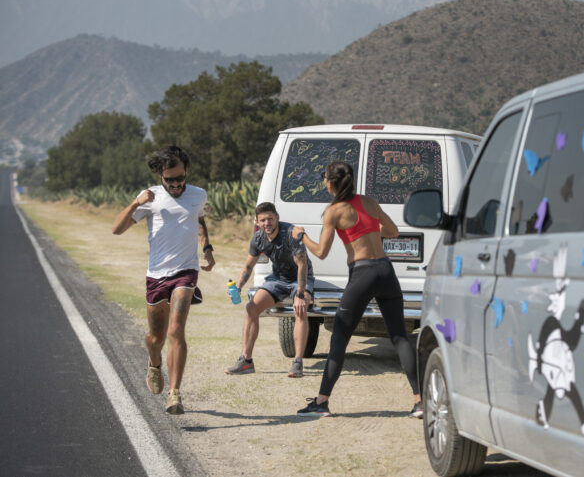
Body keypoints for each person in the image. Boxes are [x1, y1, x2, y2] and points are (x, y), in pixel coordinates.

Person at [295, 161, 421, 418]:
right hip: (386, 271)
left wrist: (301, 236)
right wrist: (370, 232)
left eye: (323, 177)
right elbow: (393, 231)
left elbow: (321, 252)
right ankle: (420, 402)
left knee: (339, 338)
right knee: (399, 337)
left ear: (330, 182)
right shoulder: (369, 202)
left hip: (362, 274)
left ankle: (321, 402)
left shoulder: (333, 211)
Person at [111, 145, 215, 415]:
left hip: (186, 271)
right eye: (170, 180)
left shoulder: (198, 194)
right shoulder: (150, 197)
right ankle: (154, 362)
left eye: (180, 178)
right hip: (156, 275)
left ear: (187, 171)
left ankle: (174, 393)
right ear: (160, 175)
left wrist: (207, 248)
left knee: (176, 330)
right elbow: (116, 229)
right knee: (155, 338)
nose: (176, 184)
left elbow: (199, 219)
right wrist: (136, 203)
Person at [225, 202, 315, 378]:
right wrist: (238, 286)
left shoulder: (291, 233)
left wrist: (300, 294)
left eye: (270, 219)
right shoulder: (258, 238)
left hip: (300, 277)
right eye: (263, 220)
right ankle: (246, 361)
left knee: (300, 309)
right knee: (251, 308)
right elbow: (248, 266)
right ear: (257, 222)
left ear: (277, 218)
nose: (267, 223)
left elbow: (302, 265)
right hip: (278, 279)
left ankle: (297, 362)